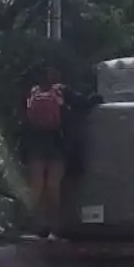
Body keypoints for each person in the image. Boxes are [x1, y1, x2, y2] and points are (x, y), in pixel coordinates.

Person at [23, 65, 99, 241]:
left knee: (36, 186)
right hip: (57, 143)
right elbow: (83, 103)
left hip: (35, 144)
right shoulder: (61, 91)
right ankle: (53, 226)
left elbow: (24, 119)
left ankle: (35, 223)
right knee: (53, 185)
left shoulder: (31, 92)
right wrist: (95, 100)